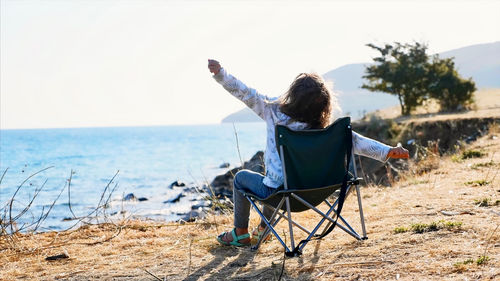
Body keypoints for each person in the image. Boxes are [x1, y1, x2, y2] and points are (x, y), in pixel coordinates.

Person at [208, 59, 409, 247]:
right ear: (324, 104)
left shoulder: (273, 112)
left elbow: (245, 93)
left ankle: (240, 232)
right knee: (276, 182)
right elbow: (359, 142)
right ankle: (263, 228)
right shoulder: (328, 129)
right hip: (316, 193)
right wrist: (388, 150)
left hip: (283, 194)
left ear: (292, 94)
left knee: (246, 178)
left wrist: (221, 75)